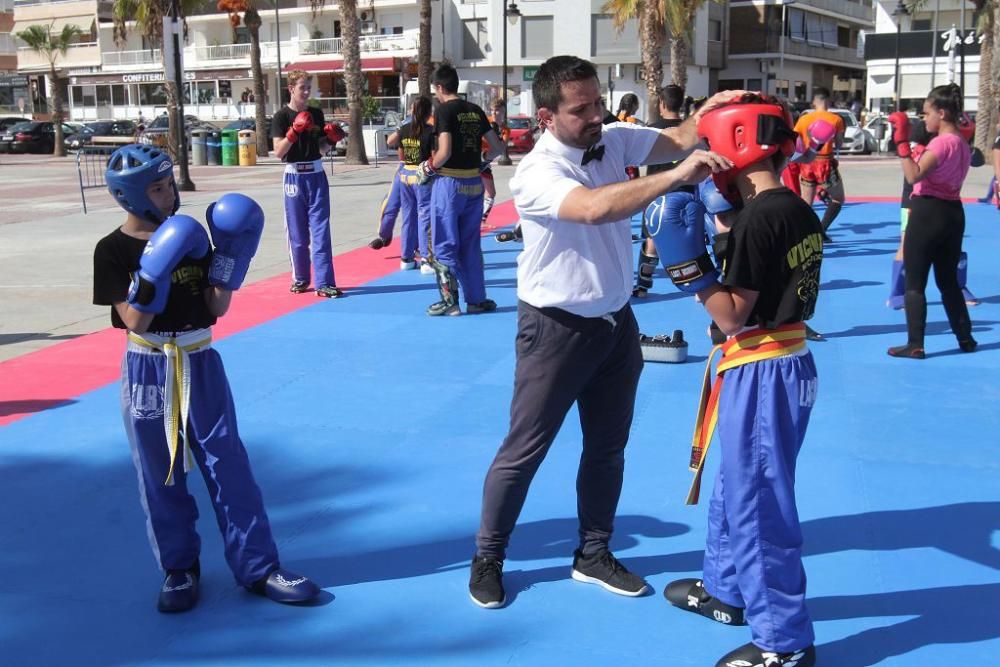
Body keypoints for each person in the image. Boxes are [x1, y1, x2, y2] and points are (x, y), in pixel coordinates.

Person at [468, 54, 737, 610]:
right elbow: (593, 209)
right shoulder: (537, 171)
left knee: (608, 448)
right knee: (525, 450)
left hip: (617, 326)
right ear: (546, 116)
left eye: (598, 101)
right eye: (581, 108)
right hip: (554, 329)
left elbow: (679, 138)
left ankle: (593, 553)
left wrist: (708, 116)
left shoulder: (613, 138)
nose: (596, 115)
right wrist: (672, 180)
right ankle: (489, 556)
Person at [93, 144, 321, 614]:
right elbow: (133, 320)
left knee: (229, 465)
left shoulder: (194, 239)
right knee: (160, 472)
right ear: (130, 195)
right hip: (149, 368)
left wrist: (231, 258)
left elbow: (216, 307)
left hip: (200, 360)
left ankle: (258, 567)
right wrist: (153, 271)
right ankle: (179, 569)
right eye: (157, 188)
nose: (169, 193)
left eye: (170, 181)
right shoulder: (112, 250)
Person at [650, 95, 820, 667]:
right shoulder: (792, 207)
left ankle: (785, 643)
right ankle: (726, 590)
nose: (704, 161)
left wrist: (688, 267)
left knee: (759, 504)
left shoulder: (759, 219)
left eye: (707, 149)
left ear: (733, 146)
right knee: (735, 485)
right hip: (781, 361)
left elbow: (729, 315)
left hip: (762, 366)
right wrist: (721, 223)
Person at [886, 84, 977, 358]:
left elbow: (914, 175)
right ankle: (965, 338)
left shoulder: (941, 142)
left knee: (915, 282)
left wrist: (902, 144)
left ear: (941, 112)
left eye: (927, 114)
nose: (924, 120)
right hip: (953, 212)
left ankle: (915, 343)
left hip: (928, 212)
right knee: (948, 281)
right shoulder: (961, 143)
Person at [418, 64, 505, 316]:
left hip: (449, 185)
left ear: (440, 87)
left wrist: (427, 168)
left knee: (445, 242)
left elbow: (443, 152)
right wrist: (481, 163)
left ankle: (450, 302)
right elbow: (497, 148)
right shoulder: (475, 110)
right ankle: (477, 300)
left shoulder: (444, 111)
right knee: (470, 244)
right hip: (473, 183)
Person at [272, 70, 346, 298]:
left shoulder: (315, 113)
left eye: (308, 88)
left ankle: (324, 282)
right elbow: (278, 152)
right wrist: (294, 131)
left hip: (316, 174)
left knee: (321, 230)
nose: (306, 92)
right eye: (302, 87)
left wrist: (332, 140)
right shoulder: (281, 116)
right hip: (293, 176)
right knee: (298, 233)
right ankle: (301, 278)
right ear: (291, 88)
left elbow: (320, 149)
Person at [634, 84, 687, 298]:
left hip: (658, 192)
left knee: (652, 241)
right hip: (687, 192)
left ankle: (643, 287)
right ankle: (698, 287)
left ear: (662, 104)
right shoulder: (690, 131)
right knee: (691, 240)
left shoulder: (651, 130)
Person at [794, 87, 845, 242]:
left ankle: (802, 235)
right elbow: (839, 144)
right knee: (838, 198)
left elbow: (797, 144)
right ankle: (821, 229)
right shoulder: (836, 119)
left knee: (806, 204)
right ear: (828, 101)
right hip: (825, 163)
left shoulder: (803, 119)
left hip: (807, 163)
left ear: (814, 102)